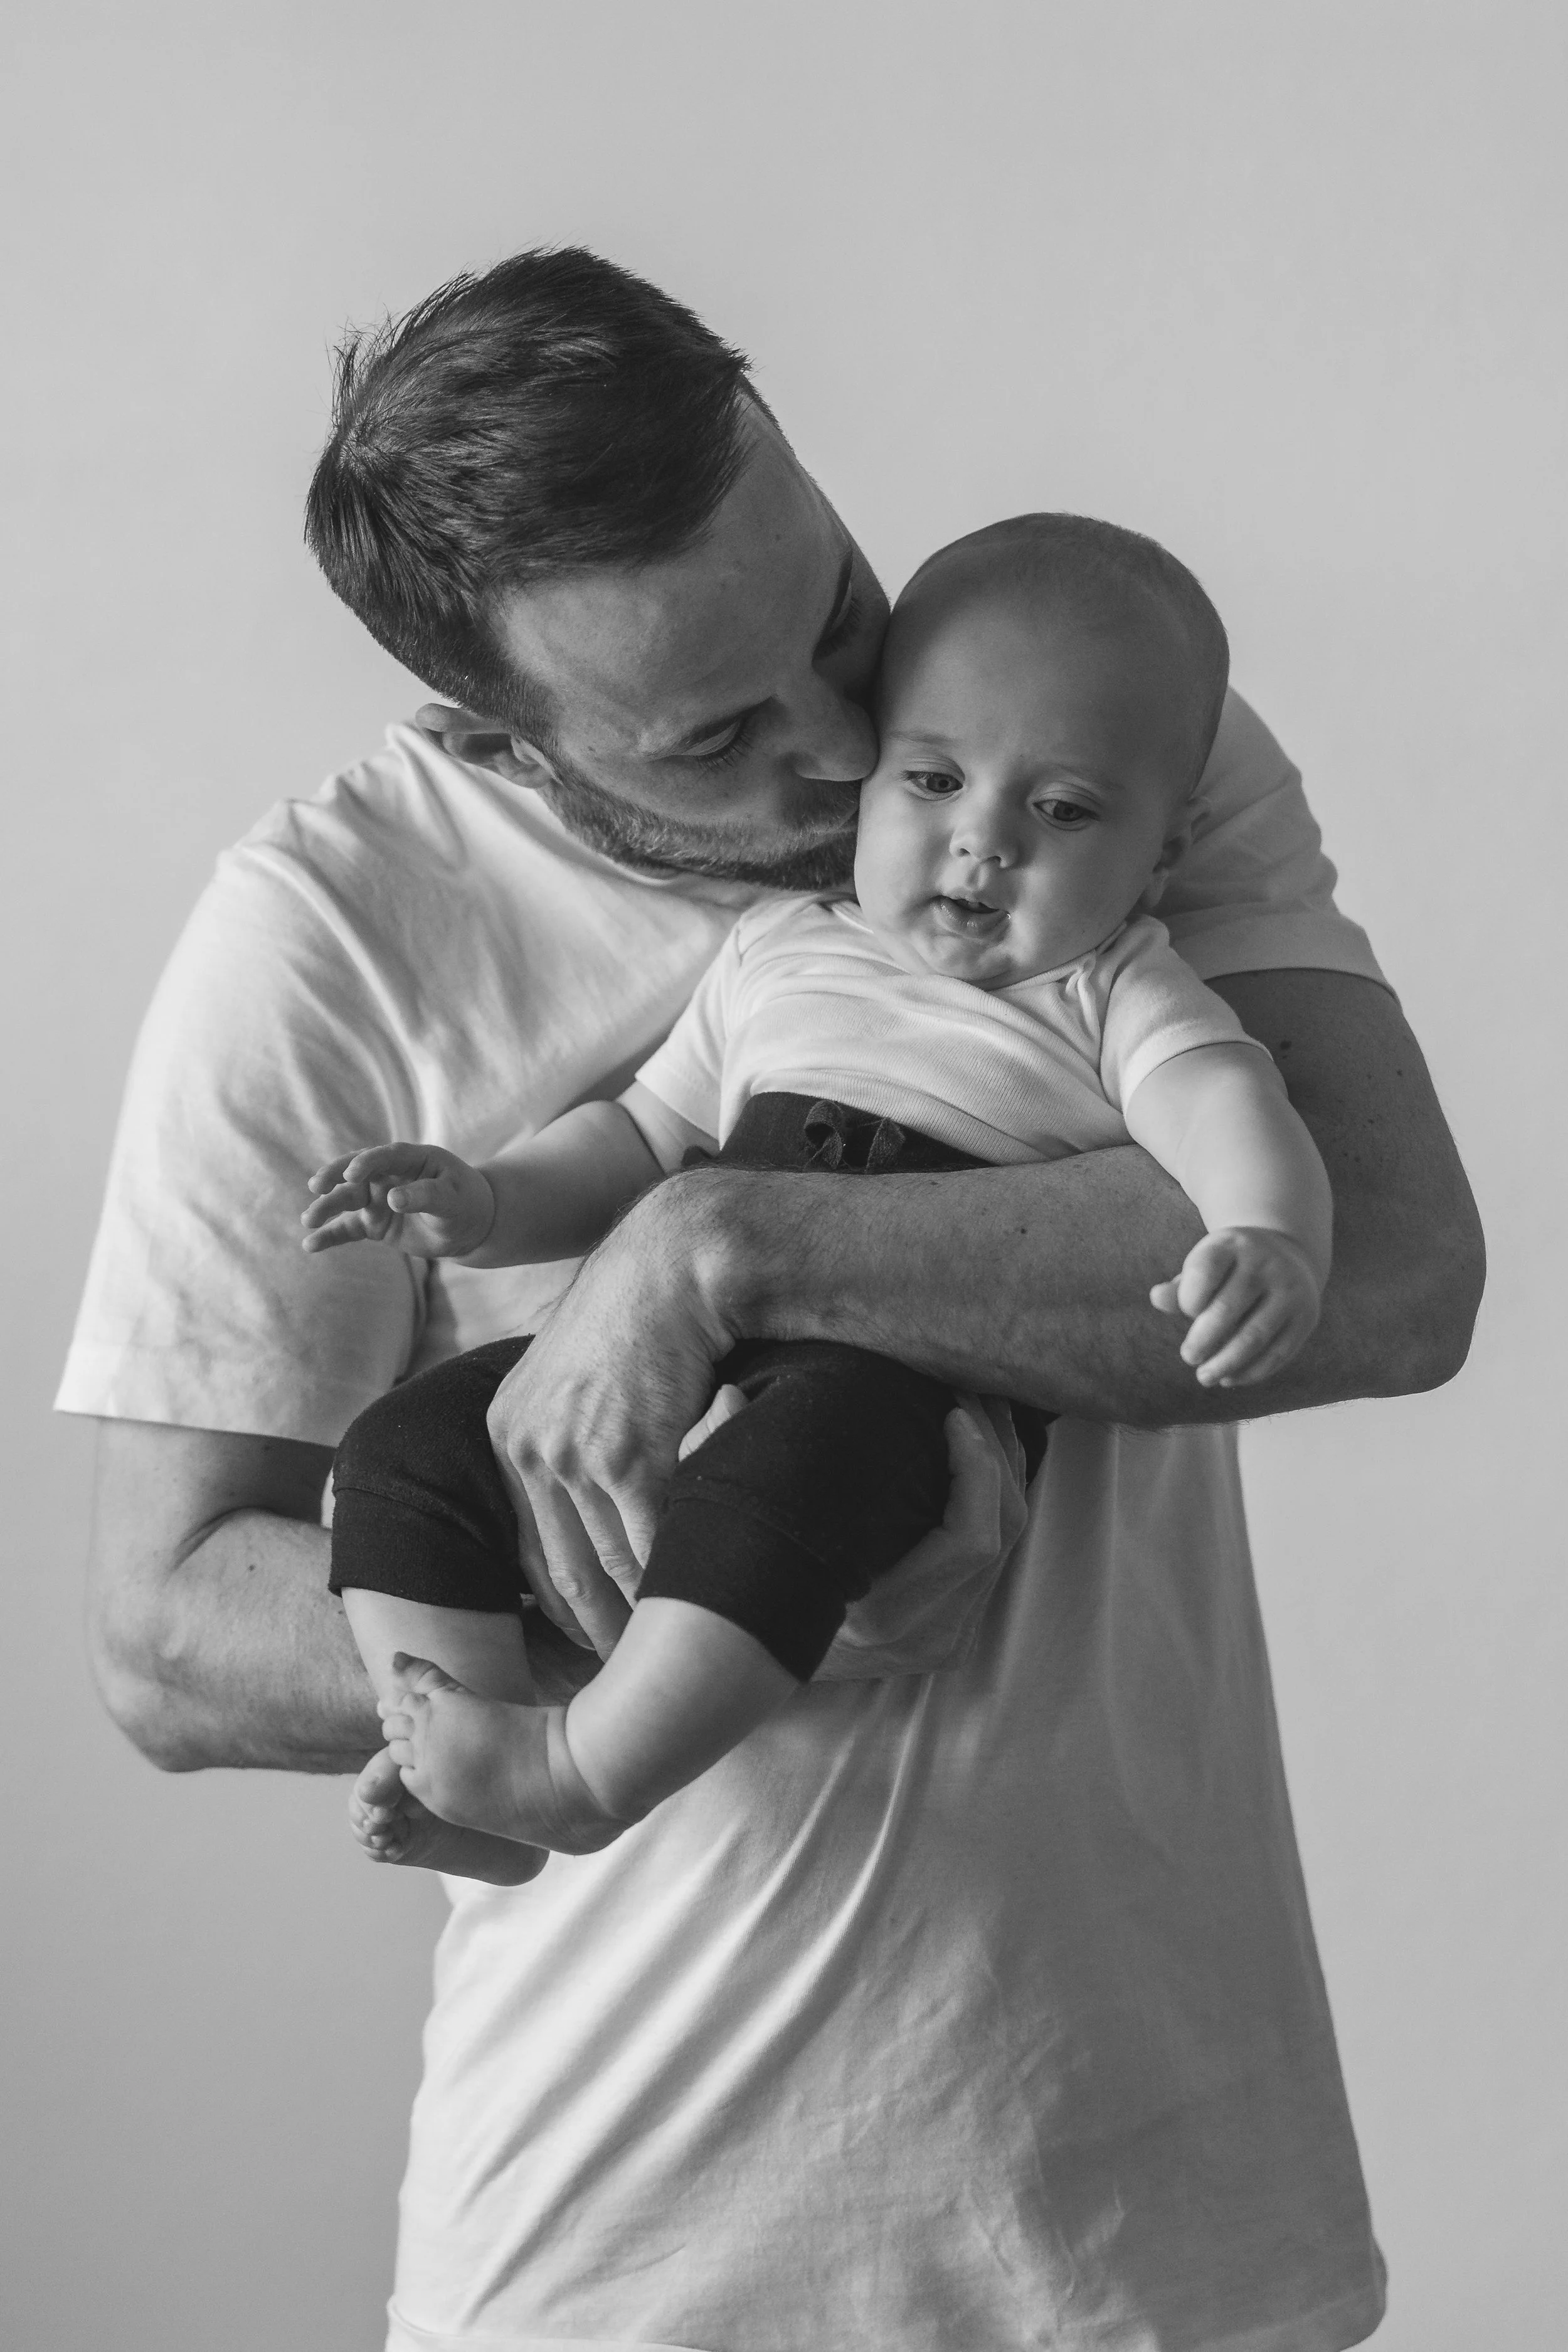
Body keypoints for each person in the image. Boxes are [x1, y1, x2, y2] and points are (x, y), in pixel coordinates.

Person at [66, 248, 1483, 2352]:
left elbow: (1377, 1267)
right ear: (499, 734)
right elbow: (171, 1633)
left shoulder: (1075, 732)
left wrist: (727, 1248)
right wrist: (723, 1606)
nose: (848, 759)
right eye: (720, 733)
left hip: (1147, 2205)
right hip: (621, 2235)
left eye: (832, 610)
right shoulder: (329, 936)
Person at [300, 512, 1333, 1883]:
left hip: (891, 1386)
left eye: (1064, 811)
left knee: (779, 1492)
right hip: (675, 1358)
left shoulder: (1112, 988)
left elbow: (1227, 1110)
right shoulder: (777, 947)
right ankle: (465, 1747)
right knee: (409, 1444)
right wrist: (482, 1201)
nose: (981, 845)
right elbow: (634, 1138)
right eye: (932, 781)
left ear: (1160, 851)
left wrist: (1268, 1236)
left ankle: (579, 1774)